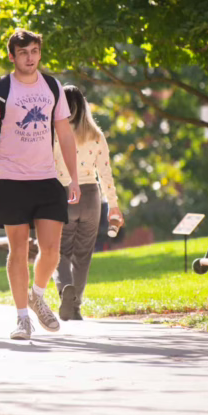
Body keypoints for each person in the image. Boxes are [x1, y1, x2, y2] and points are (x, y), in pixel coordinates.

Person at [0, 29, 81, 340]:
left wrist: (73, 178)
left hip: (46, 178)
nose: (30, 57)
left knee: (51, 251)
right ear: (12, 56)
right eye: (23, 53)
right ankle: (23, 318)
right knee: (18, 250)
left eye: (34, 51)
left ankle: (36, 294)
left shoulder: (52, 87)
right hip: (9, 178)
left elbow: (64, 134)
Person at [53, 86, 123, 321]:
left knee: (59, 251)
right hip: (92, 198)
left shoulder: (55, 133)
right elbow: (106, 174)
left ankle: (64, 288)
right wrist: (113, 206)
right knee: (83, 256)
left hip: (63, 194)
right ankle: (76, 306)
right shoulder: (96, 134)